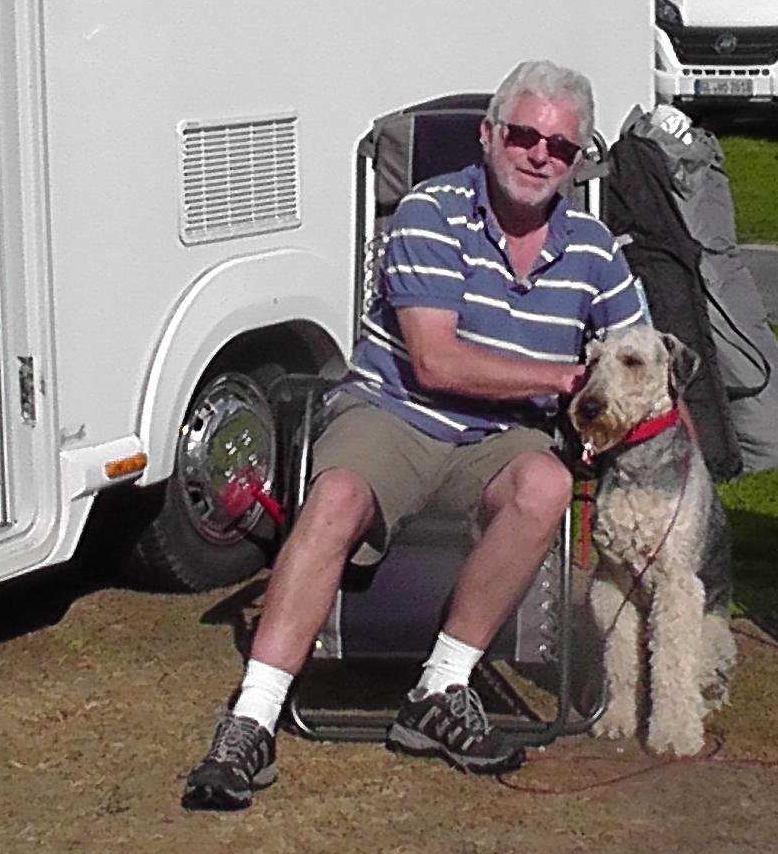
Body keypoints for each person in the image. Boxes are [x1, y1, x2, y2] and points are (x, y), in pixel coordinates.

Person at [183, 60, 645, 809]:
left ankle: (440, 690)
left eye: (559, 147)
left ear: (577, 160)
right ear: (490, 136)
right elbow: (437, 360)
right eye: (524, 135)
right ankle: (251, 720)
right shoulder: (431, 211)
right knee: (332, 498)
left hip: (502, 438)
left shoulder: (593, 249)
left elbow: (639, 355)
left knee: (548, 484)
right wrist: (564, 378)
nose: (538, 155)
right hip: (397, 414)